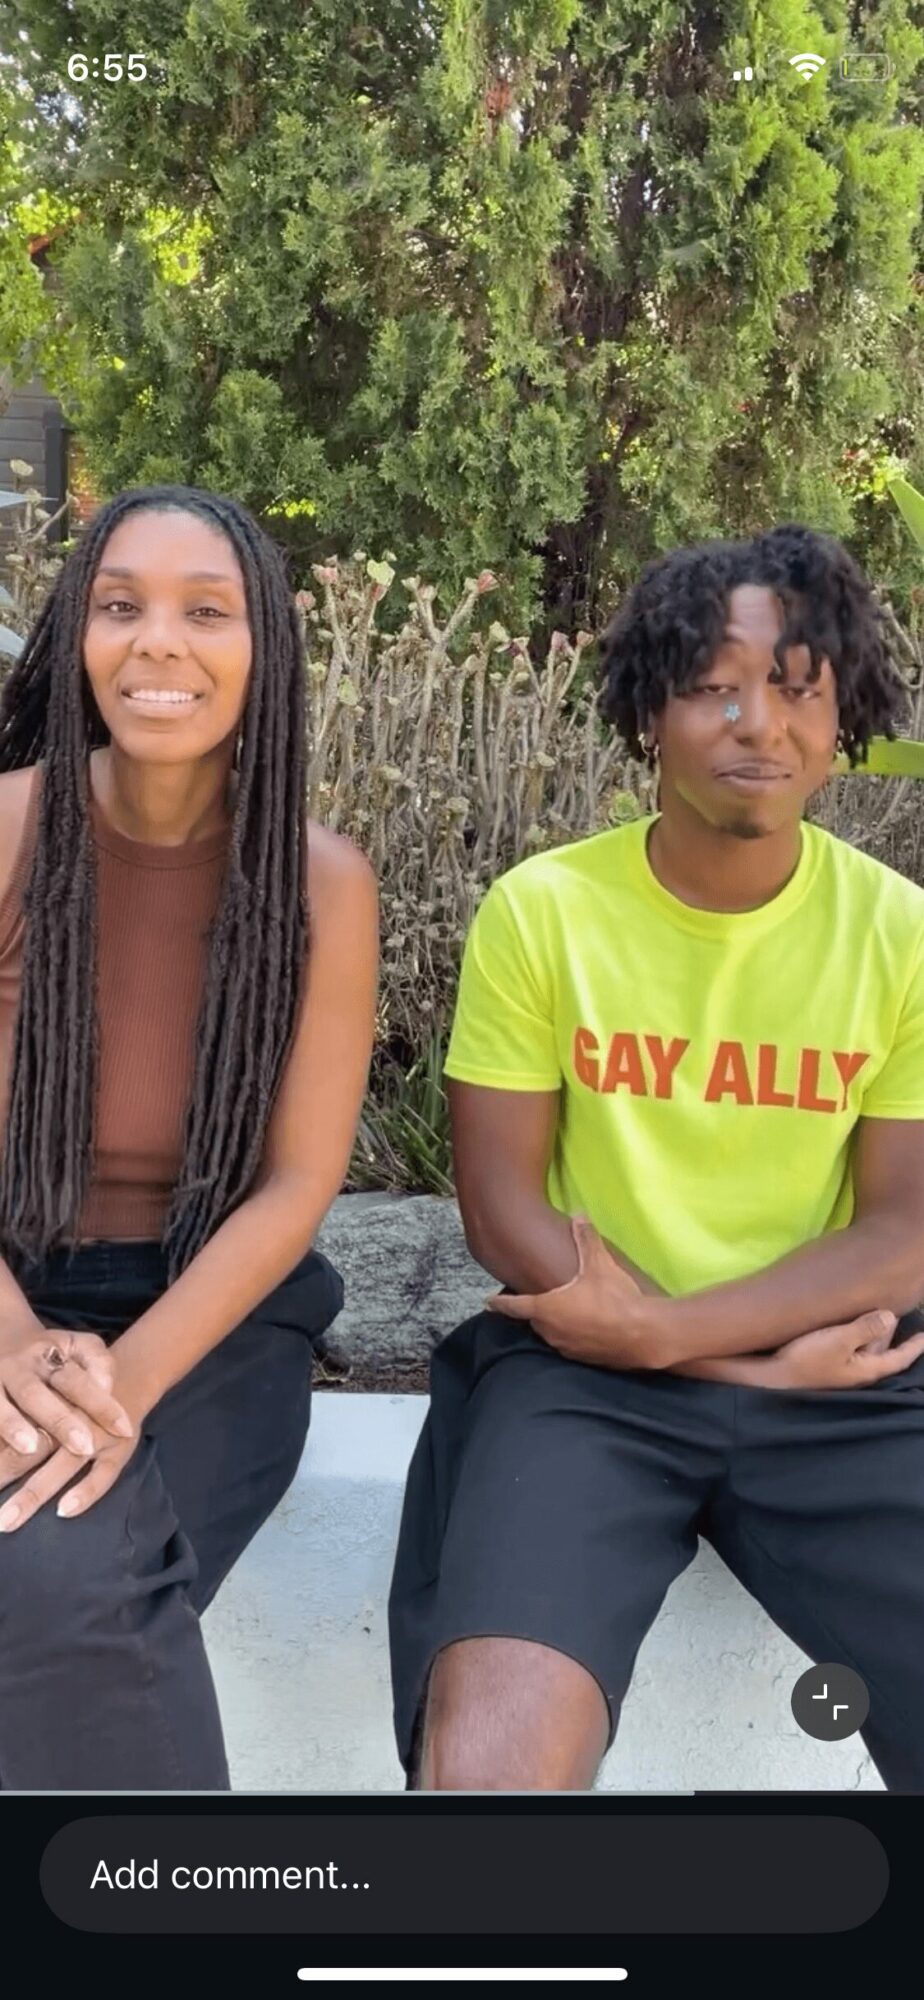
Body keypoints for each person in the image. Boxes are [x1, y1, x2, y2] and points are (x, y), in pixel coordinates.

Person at [388, 523, 924, 1794]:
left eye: (798, 687)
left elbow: (901, 1231)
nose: (759, 723)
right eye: (712, 686)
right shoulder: (544, 911)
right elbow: (501, 1203)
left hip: (838, 1379)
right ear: (647, 713)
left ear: (843, 716)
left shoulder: (900, 935)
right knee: (489, 1762)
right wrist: (703, 1355)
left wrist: (678, 1334)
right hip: (582, 1376)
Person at [0, 485, 378, 1790]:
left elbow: (297, 1184)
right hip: (10, 1285)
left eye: (204, 611)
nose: (158, 640)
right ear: (80, 638)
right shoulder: (4, 834)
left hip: (218, 1319)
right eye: (120, 606)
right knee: (51, 1575)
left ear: (262, 647)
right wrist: (18, 1346)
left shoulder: (322, 883)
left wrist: (123, 1389)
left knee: (58, 1562)